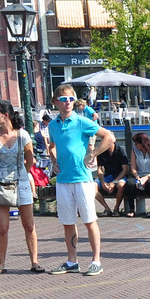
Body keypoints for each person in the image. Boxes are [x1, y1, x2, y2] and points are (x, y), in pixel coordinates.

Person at [47, 83, 116, 276]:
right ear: (56, 102)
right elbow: (51, 146)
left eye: (71, 99)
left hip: (82, 179)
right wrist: (53, 160)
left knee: (89, 220)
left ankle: (96, 260)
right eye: (63, 99)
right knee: (68, 222)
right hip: (63, 180)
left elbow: (109, 137)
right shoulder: (53, 125)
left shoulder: (82, 121)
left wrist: (93, 153)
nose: (68, 103)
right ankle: (72, 261)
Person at [0, 100, 42, 274]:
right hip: (1, 184)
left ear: (6, 115)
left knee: (29, 225)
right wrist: (4, 175)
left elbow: (30, 159)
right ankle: (1, 263)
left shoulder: (22, 135)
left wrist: (22, 174)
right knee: (3, 227)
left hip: (21, 182)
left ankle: (34, 261)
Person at [129, 132, 150, 218]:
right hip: (139, 174)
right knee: (130, 183)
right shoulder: (134, 150)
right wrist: (137, 177)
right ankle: (131, 209)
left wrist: (146, 177)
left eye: (137, 143)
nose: (136, 145)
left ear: (142, 143)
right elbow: (133, 167)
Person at [95, 138, 130, 217]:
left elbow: (125, 170)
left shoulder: (120, 150)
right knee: (92, 186)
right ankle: (107, 208)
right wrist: (103, 182)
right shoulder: (101, 151)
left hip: (119, 175)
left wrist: (114, 182)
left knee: (121, 185)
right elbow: (100, 169)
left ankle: (116, 208)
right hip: (107, 176)